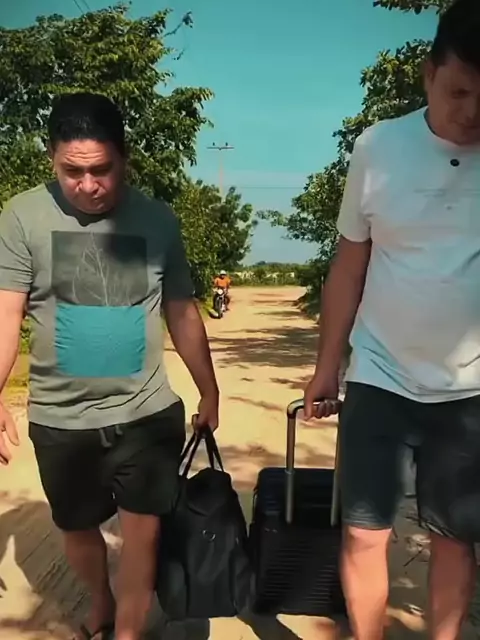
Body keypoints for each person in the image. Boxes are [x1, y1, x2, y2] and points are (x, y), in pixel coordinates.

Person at [0, 92, 220, 640]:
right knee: (76, 527)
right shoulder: (22, 216)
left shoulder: (158, 220)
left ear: (125, 158)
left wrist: (209, 389)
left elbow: (181, 311)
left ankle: (125, 632)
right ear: (51, 158)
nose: (88, 185)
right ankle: (101, 598)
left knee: (144, 533)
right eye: (72, 172)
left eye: (102, 170)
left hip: (145, 414)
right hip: (60, 420)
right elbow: (5, 313)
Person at [304, 1, 480, 638]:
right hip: (379, 374)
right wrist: (327, 365)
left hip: (470, 391)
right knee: (364, 531)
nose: (472, 112)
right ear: (429, 74)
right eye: (459, 91)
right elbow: (350, 264)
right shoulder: (378, 147)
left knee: (455, 537)